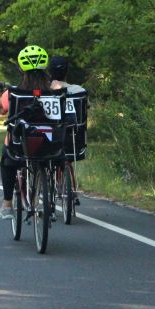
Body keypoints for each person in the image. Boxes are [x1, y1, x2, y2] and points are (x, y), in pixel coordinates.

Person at [0, 45, 51, 220]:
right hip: (51, 140)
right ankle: (49, 195)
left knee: (7, 160)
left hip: (21, 143)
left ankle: (7, 203)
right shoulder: (55, 92)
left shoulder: (14, 93)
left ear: (22, 68)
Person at [49, 56, 87, 206]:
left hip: (52, 138)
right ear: (67, 72)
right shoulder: (80, 90)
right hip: (73, 139)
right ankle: (72, 189)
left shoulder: (45, 91)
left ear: (49, 72)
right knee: (68, 158)